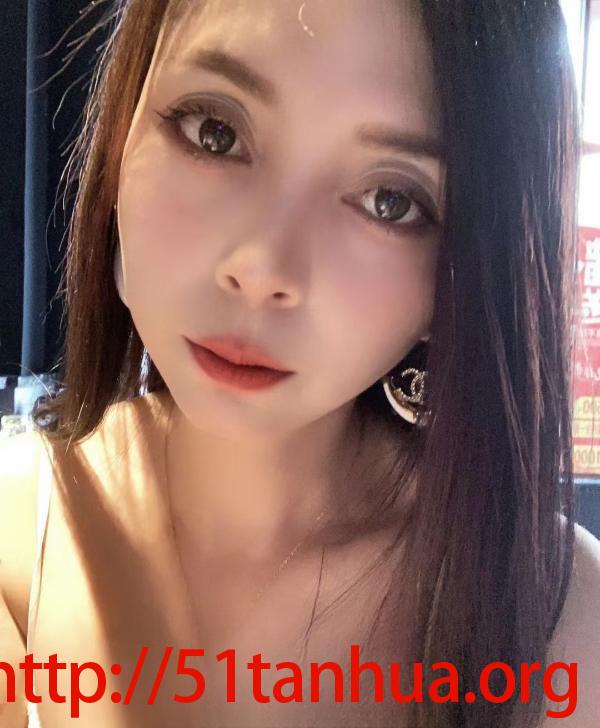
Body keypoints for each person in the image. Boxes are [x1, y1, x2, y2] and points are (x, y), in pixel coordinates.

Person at [1, 0, 599, 726]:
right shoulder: (18, 540)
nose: (262, 269)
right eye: (215, 132)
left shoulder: (558, 617)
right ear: (124, 127)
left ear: (461, 274)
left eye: (390, 200)